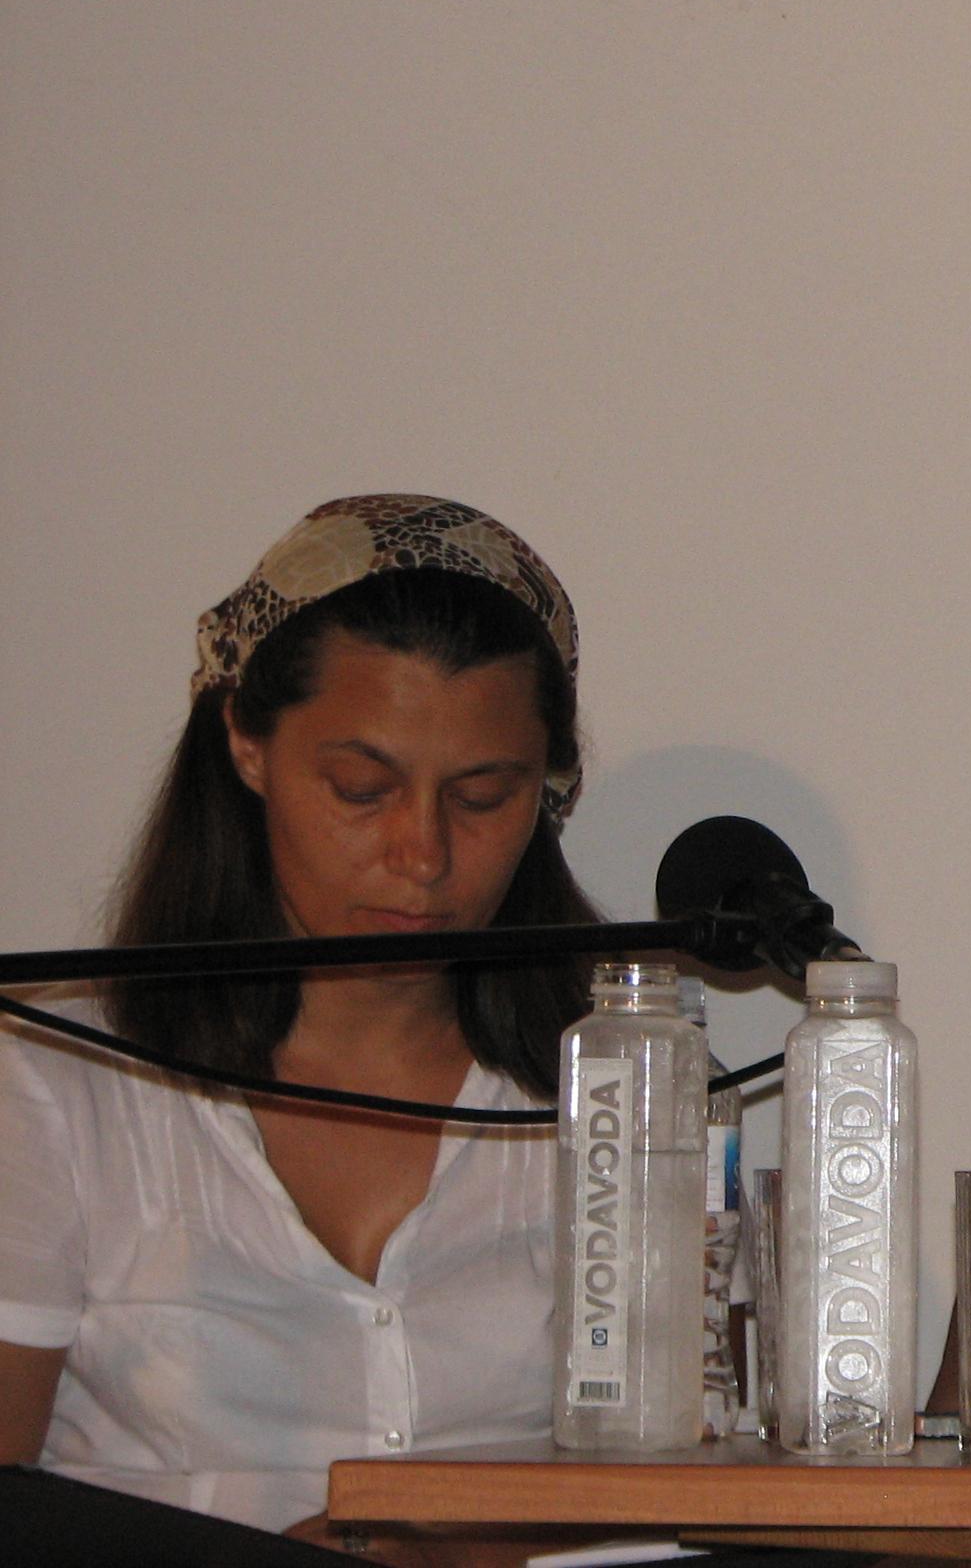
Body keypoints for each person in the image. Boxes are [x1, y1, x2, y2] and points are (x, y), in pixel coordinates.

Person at [0, 494, 602, 1534]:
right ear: (246, 744)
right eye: (362, 788)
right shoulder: (58, 1079)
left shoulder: (626, 1090)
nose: (422, 855)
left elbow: (698, 1493)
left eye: (481, 797)